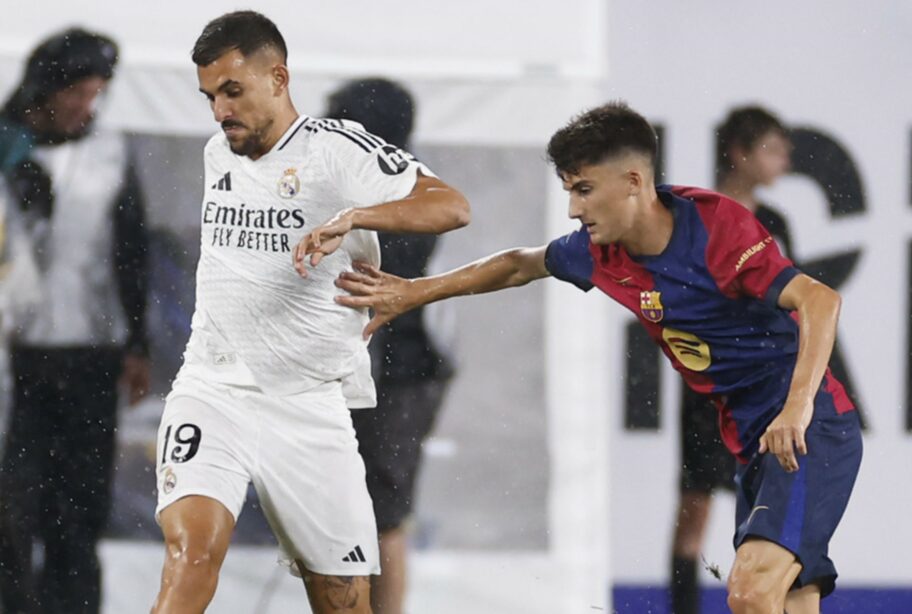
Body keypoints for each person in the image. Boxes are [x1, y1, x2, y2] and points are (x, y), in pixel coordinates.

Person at [304, 102, 863, 614]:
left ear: (634, 182)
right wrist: (415, 291)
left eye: (584, 190)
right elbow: (519, 263)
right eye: (569, 190)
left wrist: (795, 409)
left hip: (808, 429)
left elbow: (820, 299)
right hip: (751, 437)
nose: (573, 208)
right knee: (790, 598)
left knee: (750, 591)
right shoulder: (602, 253)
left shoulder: (717, 229)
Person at [151, 11, 469, 614]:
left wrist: (355, 215)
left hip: (308, 404)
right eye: (210, 96)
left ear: (279, 77)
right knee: (191, 555)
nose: (220, 111)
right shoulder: (218, 152)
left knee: (345, 601)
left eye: (233, 91)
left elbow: (451, 206)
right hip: (212, 388)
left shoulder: (339, 151)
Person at [0, 28, 150, 614]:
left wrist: (138, 344)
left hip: (90, 350)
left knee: (79, 506)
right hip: (17, 356)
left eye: (96, 94)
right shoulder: (9, 147)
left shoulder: (109, 153)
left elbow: (132, 250)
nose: (85, 107)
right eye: (77, 93)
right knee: (13, 504)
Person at [326, 78, 455, 614]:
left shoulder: (408, 194)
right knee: (350, 513)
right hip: (380, 366)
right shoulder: (393, 187)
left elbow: (370, 275)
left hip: (397, 372)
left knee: (382, 514)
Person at [671, 106, 794, 614]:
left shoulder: (774, 223)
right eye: (772, 149)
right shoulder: (697, 215)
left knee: (768, 505)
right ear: (739, 153)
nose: (783, 161)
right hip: (709, 379)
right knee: (694, 505)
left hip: (759, 380)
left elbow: (792, 297)